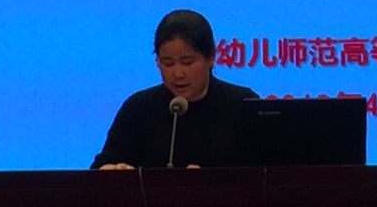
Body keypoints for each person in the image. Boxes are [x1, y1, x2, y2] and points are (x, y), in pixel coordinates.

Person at [91, 9, 259, 169]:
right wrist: (112, 169)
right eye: (168, 63)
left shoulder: (243, 105)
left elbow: (266, 171)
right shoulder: (138, 108)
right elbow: (103, 166)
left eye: (187, 62)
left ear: (211, 57)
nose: (178, 74)